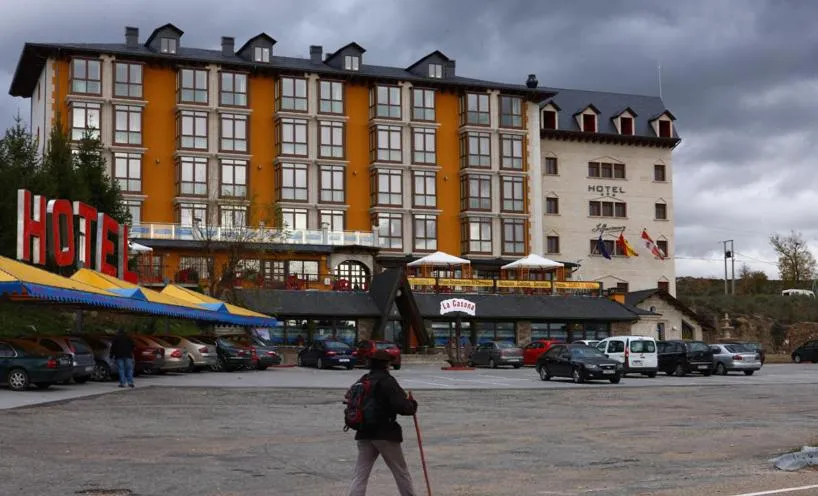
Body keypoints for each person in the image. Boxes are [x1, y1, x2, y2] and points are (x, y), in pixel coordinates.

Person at [347, 350, 418, 496]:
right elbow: (403, 408)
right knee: (401, 472)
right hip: (385, 433)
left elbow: (349, 397)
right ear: (387, 364)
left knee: (360, 475)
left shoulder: (364, 379)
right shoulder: (387, 381)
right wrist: (412, 404)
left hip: (363, 431)